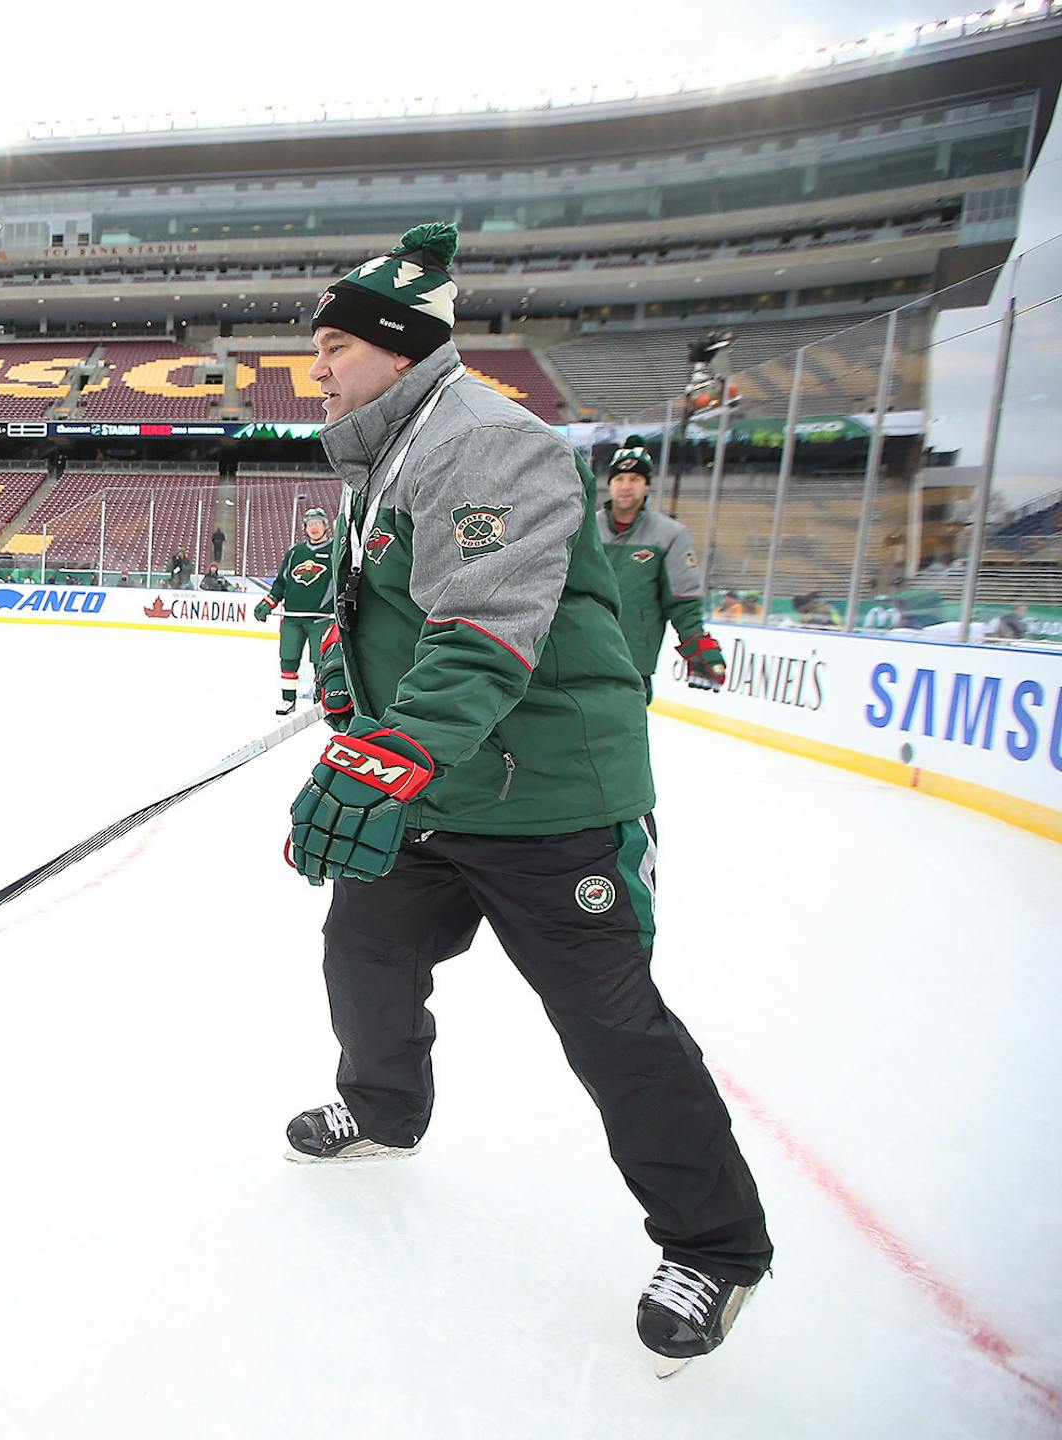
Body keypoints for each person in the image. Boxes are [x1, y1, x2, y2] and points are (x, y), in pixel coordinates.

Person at [282, 222, 770, 1373]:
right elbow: (396, 608)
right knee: (365, 955)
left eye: (335, 345)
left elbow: (488, 624)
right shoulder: (390, 452)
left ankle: (716, 1244)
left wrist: (394, 748)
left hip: (551, 799)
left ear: (401, 349)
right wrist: (351, 695)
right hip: (442, 788)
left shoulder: (489, 439)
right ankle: (387, 1109)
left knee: (611, 1026)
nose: (317, 367)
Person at [595, 439, 724, 699]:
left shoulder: (670, 535)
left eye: (634, 478)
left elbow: (683, 603)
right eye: (619, 478)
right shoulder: (587, 529)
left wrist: (697, 644)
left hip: (631, 665)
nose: (626, 486)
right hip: (579, 659)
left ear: (647, 485)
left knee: (624, 738)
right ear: (609, 484)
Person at [254, 506, 337, 715]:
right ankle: (288, 700)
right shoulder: (295, 553)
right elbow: (281, 582)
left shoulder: (335, 550)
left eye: (318, 523)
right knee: (288, 658)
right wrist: (268, 602)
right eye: (310, 524)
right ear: (305, 528)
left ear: (326, 526)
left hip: (321, 618)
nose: (314, 528)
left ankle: (321, 699)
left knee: (321, 660)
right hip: (292, 617)